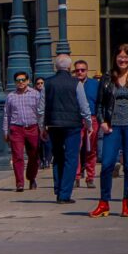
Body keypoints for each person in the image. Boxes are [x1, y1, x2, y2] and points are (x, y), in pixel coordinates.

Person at [90, 44, 128, 218]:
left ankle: (127, 203)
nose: (122, 60)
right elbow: (100, 103)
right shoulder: (107, 78)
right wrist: (101, 122)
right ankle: (104, 203)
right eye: (120, 56)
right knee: (107, 164)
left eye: (126, 57)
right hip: (112, 127)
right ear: (115, 58)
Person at [39, 55, 91, 204]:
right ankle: (64, 193)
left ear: (56, 67)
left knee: (58, 156)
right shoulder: (76, 83)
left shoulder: (47, 83)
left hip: (54, 125)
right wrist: (89, 124)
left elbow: (41, 108)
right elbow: (84, 106)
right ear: (70, 68)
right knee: (71, 158)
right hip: (72, 125)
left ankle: (58, 188)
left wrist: (42, 127)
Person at [2, 70, 43, 193]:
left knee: (34, 156)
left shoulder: (35, 94)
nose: (20, 82)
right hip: (16, 129)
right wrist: (5, 131)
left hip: (32, 127)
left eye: (23, 80)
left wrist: (42, 128)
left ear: (28, 81)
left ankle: (31, 177)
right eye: (18, 80)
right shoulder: (11, 96)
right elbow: (6, 115)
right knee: (18, 156)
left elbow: (40, 112)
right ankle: (19, 183)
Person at [73, 60, 100, 188]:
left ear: (87, 71)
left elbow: (100, 102)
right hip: (76, 120)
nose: (80, 72)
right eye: (77, 70)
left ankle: (90, 177)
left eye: (82, 70)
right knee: (75, 148)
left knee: (91, 149)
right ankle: (76, 176)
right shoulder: (72, 84)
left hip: (92, 119)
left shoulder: (95, 84)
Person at [34, 76, 53, 168]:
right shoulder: (34, 94)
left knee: (47, 141)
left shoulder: (47, 93)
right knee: (39, 143)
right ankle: (41, 160)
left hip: (46, 120)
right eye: (38, 83)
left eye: (42, 83)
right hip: (36, 121)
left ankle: (48, 160)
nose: (40, 85)